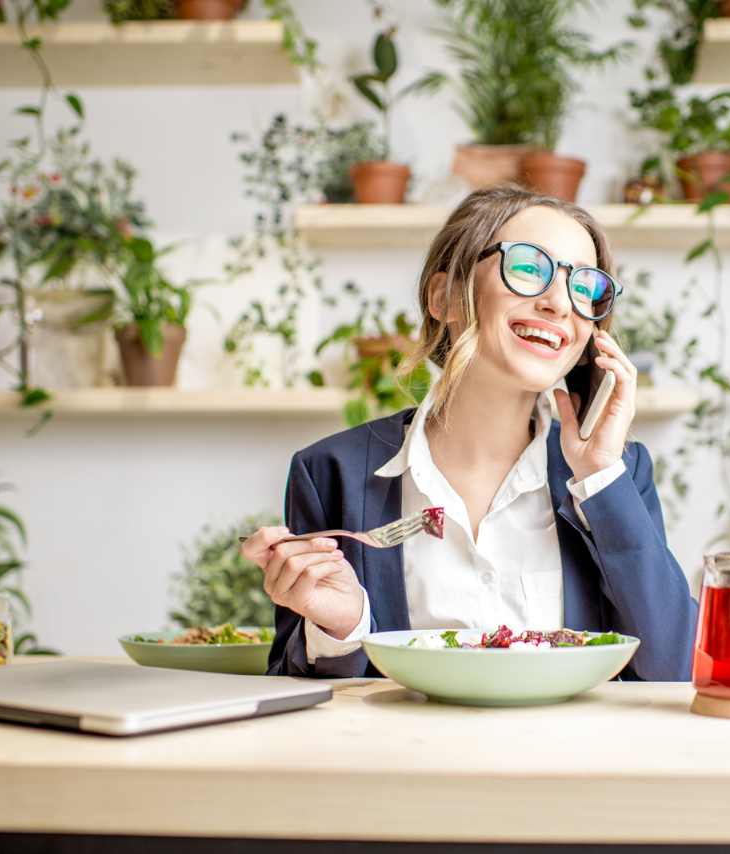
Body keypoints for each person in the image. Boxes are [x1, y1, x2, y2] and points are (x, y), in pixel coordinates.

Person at [241, 185, 697, 680]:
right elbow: (300, 697)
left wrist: (600, 479)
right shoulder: (331, 473)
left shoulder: (617, 475)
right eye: (528, 268)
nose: (560, 303)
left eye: (585, 287)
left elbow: (675, 668)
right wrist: (343, 626)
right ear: (445, 297)